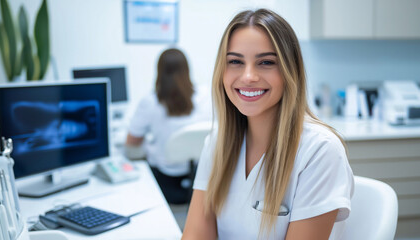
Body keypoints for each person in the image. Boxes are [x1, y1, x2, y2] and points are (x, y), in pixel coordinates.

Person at [182, 9, 354, 239]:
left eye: (266, 62)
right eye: (235, 61)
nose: (248, 76)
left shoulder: (320, 151)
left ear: (289, 71)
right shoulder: (216, 144)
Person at [126, 48, 211, 204]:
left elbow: (131, 142)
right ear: (187, 70)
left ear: (159, 72)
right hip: (200, 180)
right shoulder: (206, 96)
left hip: (165, 183)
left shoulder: (150, 102)